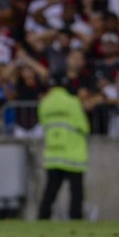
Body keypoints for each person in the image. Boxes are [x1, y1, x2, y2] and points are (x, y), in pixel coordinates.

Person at [37, 79, 90, 221]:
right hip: (73, 153)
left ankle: (42, 217)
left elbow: (42, 122)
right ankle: (75, 217)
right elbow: (84, 126)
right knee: (76, 191)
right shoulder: (73, 102)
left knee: (50, 190)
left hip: (53, 152)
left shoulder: (45, 103)